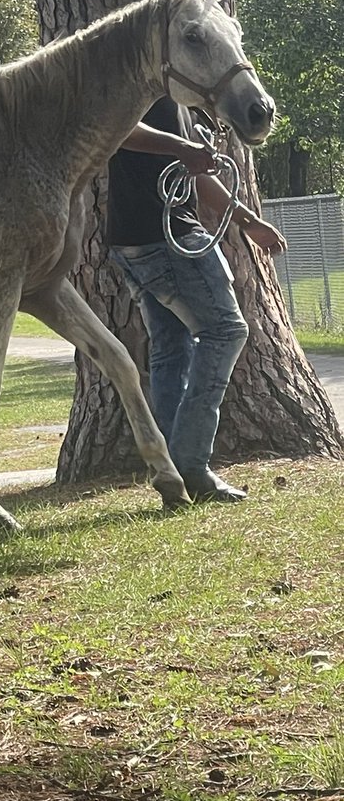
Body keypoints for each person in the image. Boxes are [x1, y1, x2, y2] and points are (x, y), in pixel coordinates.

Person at [107, 97, 286, 503]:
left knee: (171, 346)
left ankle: (172, 469)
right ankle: (191, 464)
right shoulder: (147, 90)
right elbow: (121, 128)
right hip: (167, 237)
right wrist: (181, 147)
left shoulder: (180, 105)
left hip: (132, 241)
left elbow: (199, 177)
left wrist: (249, 222)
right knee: (227, 331)